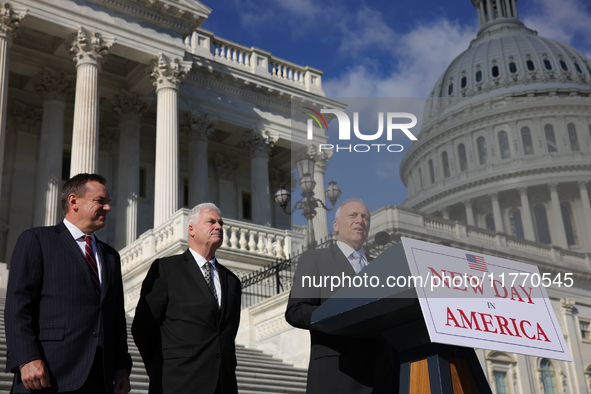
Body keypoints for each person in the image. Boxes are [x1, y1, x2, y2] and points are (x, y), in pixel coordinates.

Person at [4, 173, 132, 393]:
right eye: (101, 201)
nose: (108, 208)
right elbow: (18, 305)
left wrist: (121, 367)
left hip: (99, 377)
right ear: (74, 201)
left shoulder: (111, 256)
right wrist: (27, 358)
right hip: (47, 373)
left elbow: (116, 318)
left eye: (108, 202)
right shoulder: (37, 240)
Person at [285, 198, 393, 394]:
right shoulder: (316, 259)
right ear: (335, 225)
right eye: (352, 215)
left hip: (382, 376)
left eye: (365, 217)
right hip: (337, 374)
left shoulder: (382, 267)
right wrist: (336, 315)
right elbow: (295, 310)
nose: (360, 220)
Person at [132, 203, 241, 394]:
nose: (219, 227)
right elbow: (143, 328)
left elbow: (228, 333)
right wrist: (161, 370)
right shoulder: (166, 270)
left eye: (221, 223)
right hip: (177, 382)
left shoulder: (232, 281)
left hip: (223, 385)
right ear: (191, 229)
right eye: (211, 222)